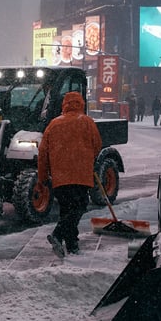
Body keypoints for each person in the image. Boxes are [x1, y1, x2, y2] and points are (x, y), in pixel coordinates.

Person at [37, 91, 102, 257]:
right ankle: (58, 235)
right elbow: (97, 146)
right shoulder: (87, 122)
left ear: (64, 105)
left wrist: (43, 177)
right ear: (81, 104)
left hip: (60, 178)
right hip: (81, 175)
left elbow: (43, 153)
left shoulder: (53, 124)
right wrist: (87, 159)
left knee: (66, 210)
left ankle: (72, 245)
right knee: (79, 207)